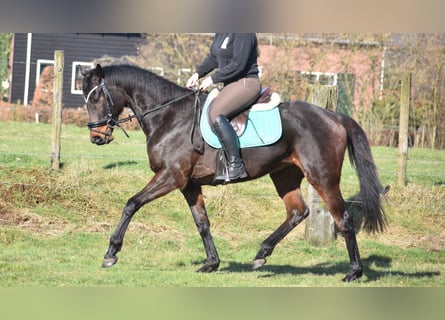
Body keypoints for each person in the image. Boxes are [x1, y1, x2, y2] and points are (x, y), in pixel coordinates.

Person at [186, 33, 261, 182]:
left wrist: (213, 79)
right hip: (230, 85)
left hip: (246, 83)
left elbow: (238, 64)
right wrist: (198, 73)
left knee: (215, 113)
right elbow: (214, 58)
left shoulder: (244, 33)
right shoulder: (221, 32)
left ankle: (236, 165)